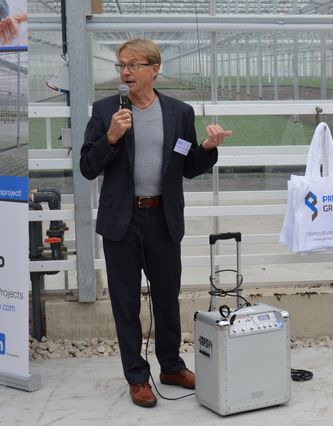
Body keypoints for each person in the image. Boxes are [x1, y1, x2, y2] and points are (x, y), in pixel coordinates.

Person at [80, 38, 232, 408]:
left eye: (133, 65)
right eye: (121, 65)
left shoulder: (179, 112)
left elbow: (188, 166)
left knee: (166, 297)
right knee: (126, 302)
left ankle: (171, 366)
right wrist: (111, 137)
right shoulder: (106, 111)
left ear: (154, 69)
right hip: (122, 220)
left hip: (162, 217)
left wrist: (208, 148)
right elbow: (87, 167)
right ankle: (137, 377)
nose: (126, 72)